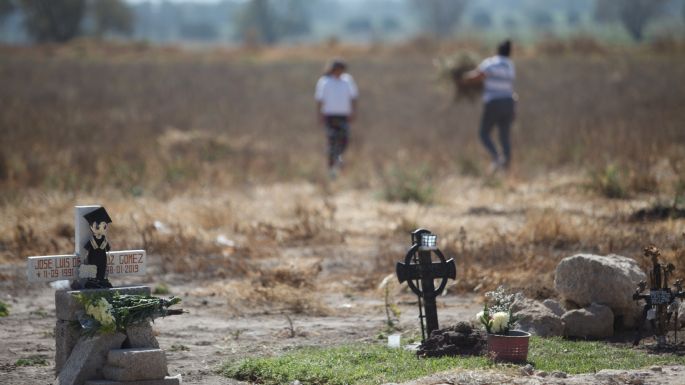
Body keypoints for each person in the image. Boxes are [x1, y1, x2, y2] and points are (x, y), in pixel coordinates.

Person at [462, 40, 516, 173]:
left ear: (497, 50)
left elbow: (478, 76)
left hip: (494, 102)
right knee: (504, 135)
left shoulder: (492, 63)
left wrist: (464, 77)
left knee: (483, 133)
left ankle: (496, 158)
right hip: (509, 103)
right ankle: (506, 166)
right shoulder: (510, 65)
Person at [315, 58, 358, 179]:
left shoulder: (347, 80)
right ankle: (331, 169)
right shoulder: (324, 81)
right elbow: (319, 100)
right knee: (332, 140)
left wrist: (353, 112)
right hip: (329, 116)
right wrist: (319, 115)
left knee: (345, 140)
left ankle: (338, 158)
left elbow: (353, 97)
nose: (340, 73)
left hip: (344, 115)